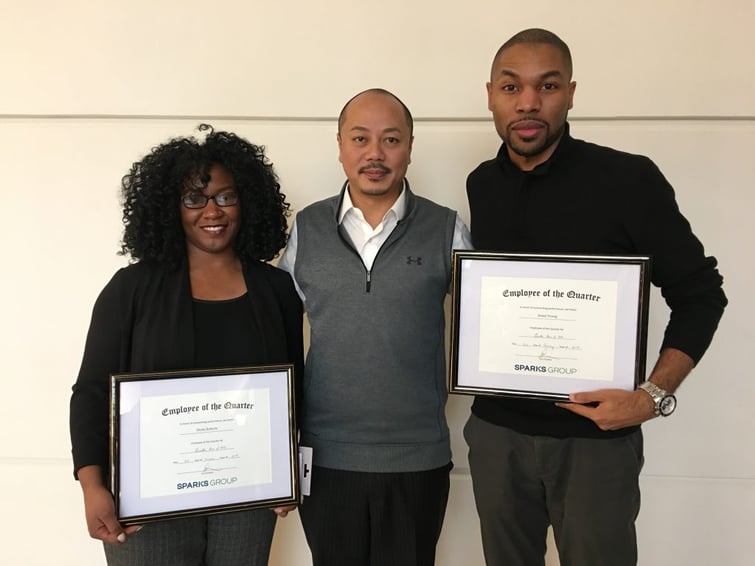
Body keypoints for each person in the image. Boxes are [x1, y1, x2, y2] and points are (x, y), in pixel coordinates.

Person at [464, 28, 727, 566]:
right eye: (512, 88)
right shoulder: (481, 184)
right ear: (490, 94)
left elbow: (701, 294)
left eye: (548, 85)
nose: (529, 102)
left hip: (594, 443)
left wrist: (649, 398)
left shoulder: (628, 179)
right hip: (497, 433)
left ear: (572, 93)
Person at [69, 124, 304, 566]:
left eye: (225, 196)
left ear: (246, 200)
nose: (212, 211)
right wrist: (93, 487)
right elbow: (91, 392)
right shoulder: (130, 289)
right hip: (145, 506)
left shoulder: (277, 289)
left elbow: (296, 389)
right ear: (170, 208)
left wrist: (288, 472)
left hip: (248, 501)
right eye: (194, 199)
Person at [278, 88, 472, 566]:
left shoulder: (447, 228)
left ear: (410, 146)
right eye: (360, 138)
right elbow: (276, 329)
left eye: (391, 139)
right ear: (340, 144)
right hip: (325, 460)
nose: (375, 154)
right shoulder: (307, 228)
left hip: (417, 457)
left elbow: (490, 330)